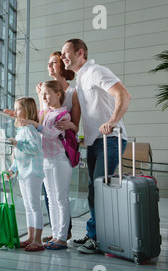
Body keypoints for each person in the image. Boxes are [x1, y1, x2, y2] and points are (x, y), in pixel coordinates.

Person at [60, 38, 131, 254]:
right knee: (94, 191)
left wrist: (112, 121)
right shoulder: (81, 80)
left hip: (110, 140)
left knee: (100, 191)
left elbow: (123, 95)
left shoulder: (97, 71)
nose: (62, 57)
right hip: (93, 142)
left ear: (80, 53)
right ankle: (94, 236)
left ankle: (101, 239)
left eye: (65, 53)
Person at [20, 81, 73, 250]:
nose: (44, 97)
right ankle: (56, 234)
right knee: (50, 199)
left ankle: (62, 238)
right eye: (42, 94)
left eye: (47, 93)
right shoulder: (44, 113)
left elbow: (51, 134)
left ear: (58, 94)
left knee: (60, 198)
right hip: (45, 160)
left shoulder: (63, 114)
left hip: (59, 160)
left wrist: (36, 124)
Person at [5, 97, 45, 252]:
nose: (16, 112)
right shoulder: (21, 130)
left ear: (28, 111)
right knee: (28, 207)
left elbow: (35, 148)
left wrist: (17, 143)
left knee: (34, 206)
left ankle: (38, 240)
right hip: (24, 173)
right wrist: (12, 170)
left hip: (33, 172)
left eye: (18, 109)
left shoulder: (29, 129)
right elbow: (19, 156)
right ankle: (30, 237)